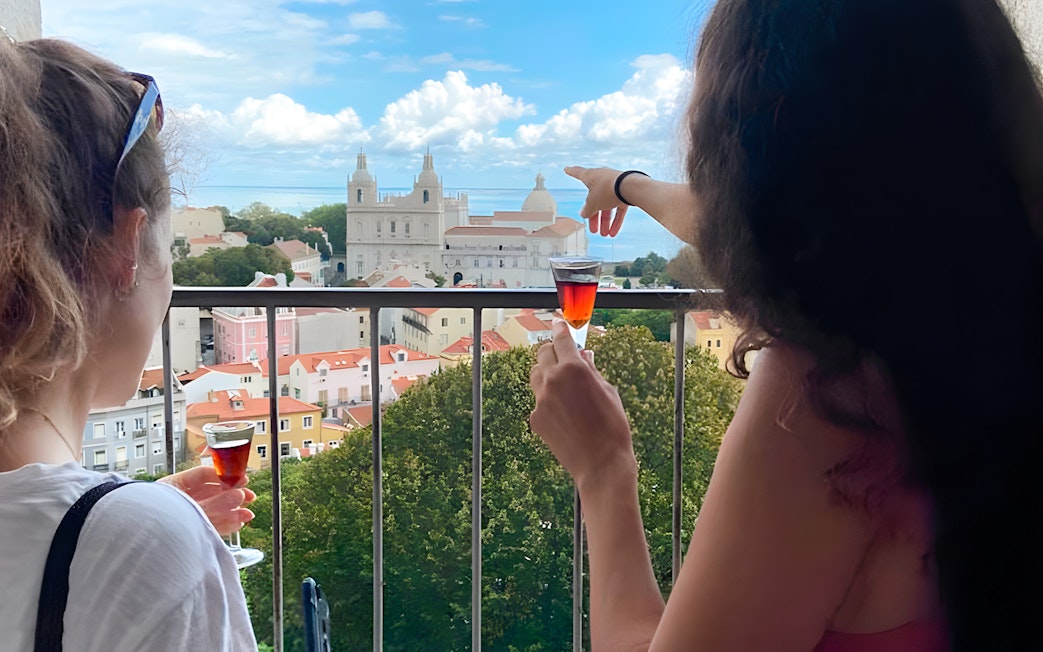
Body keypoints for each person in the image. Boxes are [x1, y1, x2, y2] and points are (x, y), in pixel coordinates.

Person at [530, 0, 1043, 650]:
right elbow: (754, 234)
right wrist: (626, 185)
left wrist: (602, 470)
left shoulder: (829, 398)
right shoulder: (1002, 295)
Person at [0, 37, 257, 649]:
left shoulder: (124, 537)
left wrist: (105, 519)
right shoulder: (142, 546)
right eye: (167, 252)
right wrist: (126, 531)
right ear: (126, 245)